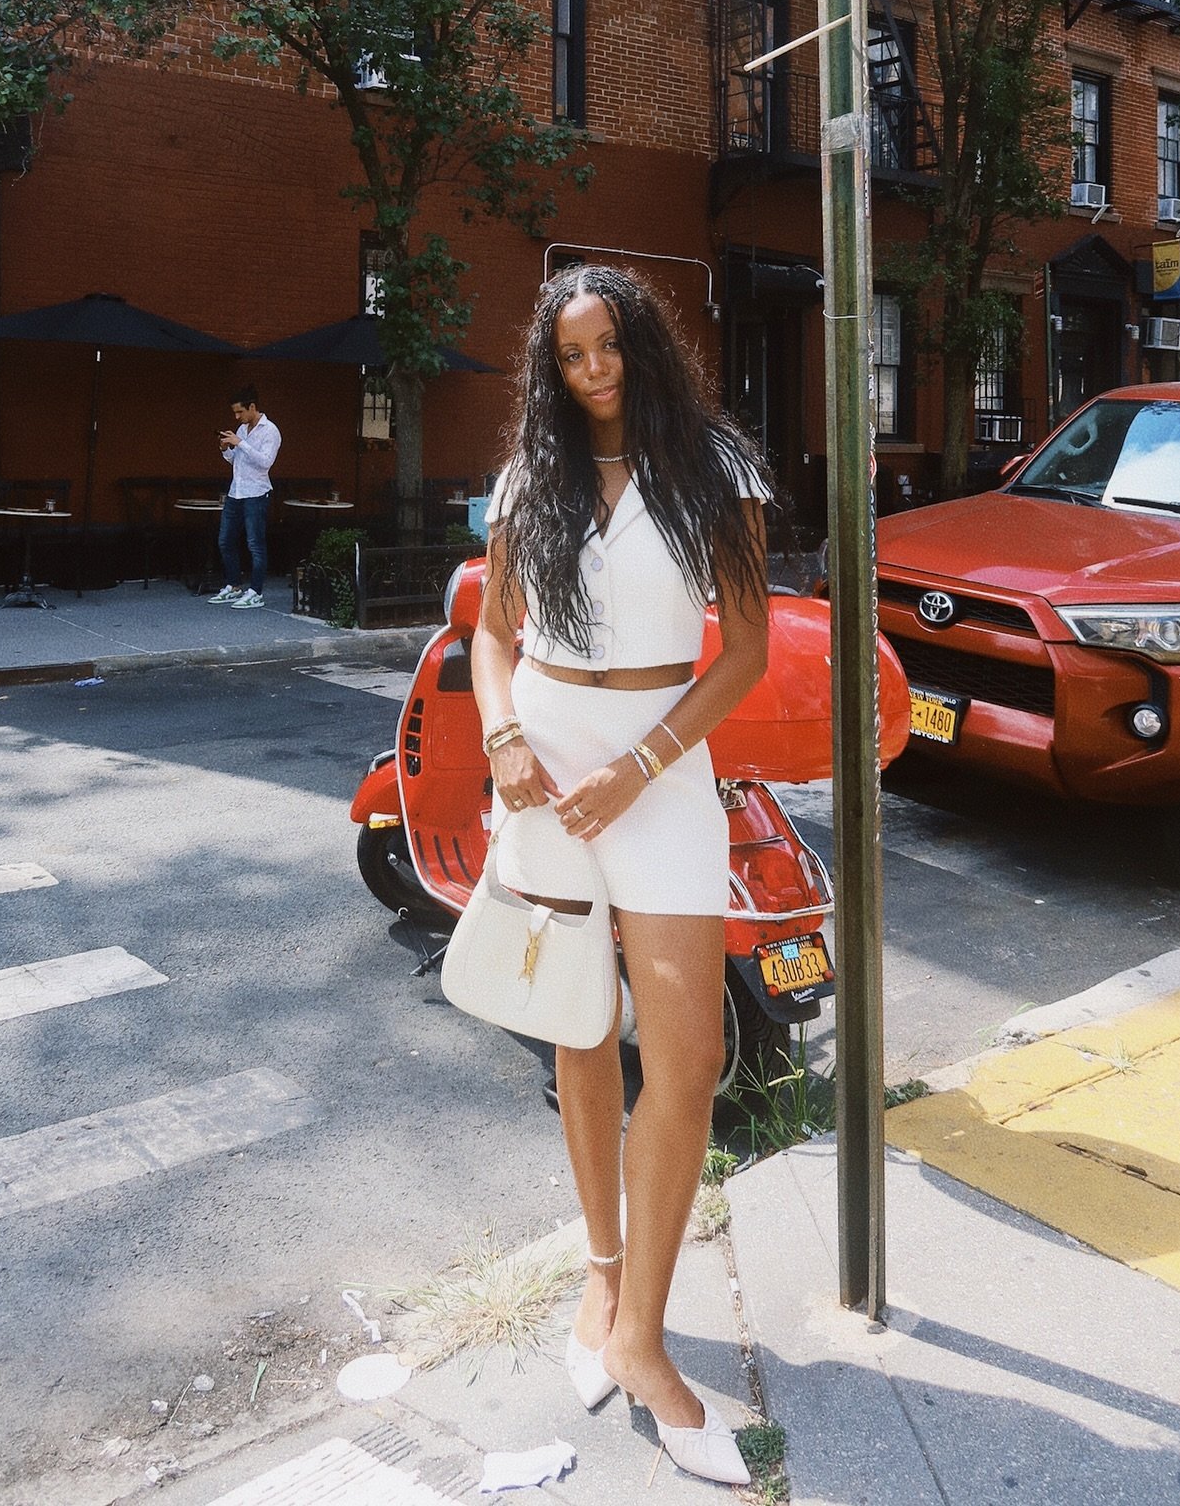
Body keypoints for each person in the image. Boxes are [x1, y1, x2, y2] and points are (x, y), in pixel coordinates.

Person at [470, 265, 769, 1487]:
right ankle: (604, 1279)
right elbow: (495, 632)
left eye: (610, 350)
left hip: (658, 763)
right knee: (578, 1027)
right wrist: (501, 738)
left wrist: (642, 764)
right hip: (543, 761)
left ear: (645, 348)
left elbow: (742, 650)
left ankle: (644, 1340)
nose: (593, 374)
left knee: (687, 1054)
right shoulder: (527, 476)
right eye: (571, 358)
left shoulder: (715, 468)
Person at [210, 388, 281, 608]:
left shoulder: (270, 431)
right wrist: (225, 449)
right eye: (234, 412)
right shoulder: (242, 429)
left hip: (257, 493)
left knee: (255, 544)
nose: (237, 417)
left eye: (240, 411)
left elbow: (265, 462)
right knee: (225, 540)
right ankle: (233, 585)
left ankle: (256, 592)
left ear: (252, 407)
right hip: (236, 492)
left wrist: (240, 443)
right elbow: (238, 462)